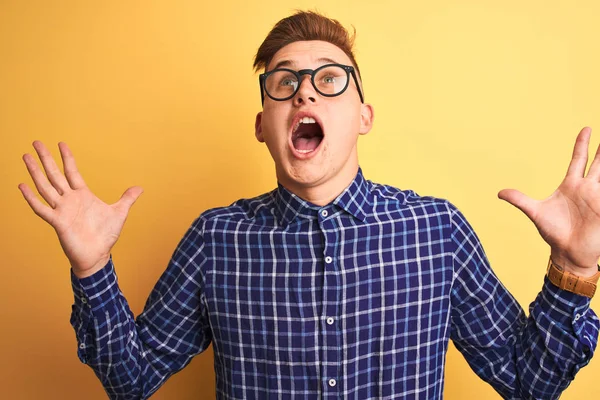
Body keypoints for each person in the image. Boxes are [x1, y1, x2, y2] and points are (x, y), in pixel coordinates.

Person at [18, 10, 599, 400]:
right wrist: (92, 270)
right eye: (284, 83)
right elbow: (132, 379)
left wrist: (573, 269)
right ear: (262, 126)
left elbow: (527, 382)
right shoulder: (215, 239)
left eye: (329, 80)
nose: (303, 92)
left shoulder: (437, 230)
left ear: (364, 117)